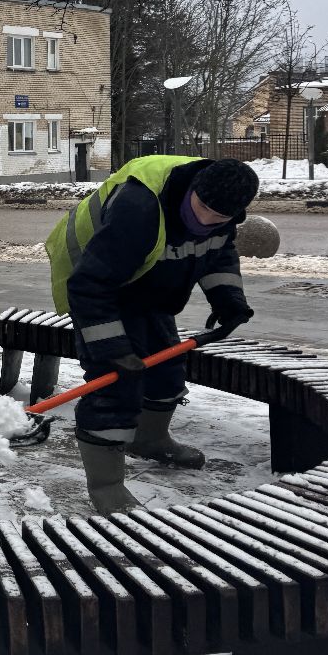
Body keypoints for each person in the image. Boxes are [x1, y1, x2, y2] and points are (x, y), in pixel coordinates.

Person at [45, 155, 259, 516]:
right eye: (202, 207)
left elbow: (217, 255)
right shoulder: (139, 208)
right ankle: (107, 487)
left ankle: (150, 439)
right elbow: (89, 286)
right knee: (113, 389)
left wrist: (229, 300)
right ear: (193, 189)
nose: (206, 221)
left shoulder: (225, 213)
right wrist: (111, 349)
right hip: (96, 283)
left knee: (166, 373)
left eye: (219, 217)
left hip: (150, 284)